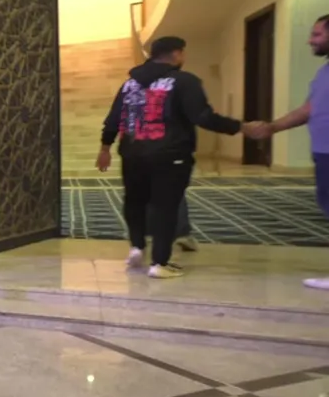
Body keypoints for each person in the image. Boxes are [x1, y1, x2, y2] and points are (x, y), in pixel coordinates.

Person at [97, 36, 260, 278]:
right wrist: (241, 127)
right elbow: (202, 116)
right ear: (176, 54)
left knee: (135, 201)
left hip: (133, 153)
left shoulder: (130, 84)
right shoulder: (184, 81)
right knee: (165, 206)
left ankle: (137, 247)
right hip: (170, 154)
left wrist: (105, 148)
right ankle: (160, 263)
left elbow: (114, 118)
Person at [249, 13, 329, 290]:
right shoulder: (324, 73)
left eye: (317, 34)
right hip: (323, 152)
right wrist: (272, 127)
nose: (310, 40)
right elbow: (309, 109)